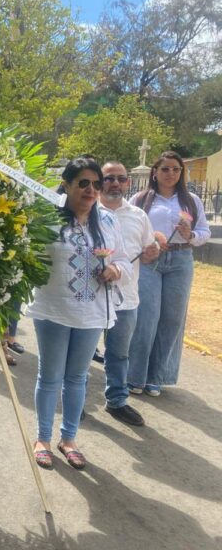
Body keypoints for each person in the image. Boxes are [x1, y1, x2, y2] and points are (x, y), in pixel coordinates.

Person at [25, 157, 131, 470]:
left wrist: (114, 269)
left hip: (93, 312)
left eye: (96, 184)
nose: (91, 190)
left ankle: (68, 438)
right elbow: (26, 255)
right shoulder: (46, 220)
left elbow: (125, 260)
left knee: (77, 378)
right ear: (67, 185)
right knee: (50, 376)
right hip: (54, 309)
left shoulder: (108, 222)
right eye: (83, 183)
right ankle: (42, 438)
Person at [128, 151, 210, 396]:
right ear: (155, 172)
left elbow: (204, 231)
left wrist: (190, 235)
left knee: (172, 319)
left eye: (176, 169)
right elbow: (129, 229)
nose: (170, 174)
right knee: (146, 317)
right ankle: (136, 376)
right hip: (150, 260)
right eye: (165, 169)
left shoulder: (191, 200)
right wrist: (146, 245)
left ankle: (158, 376)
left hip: (180, 260)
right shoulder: (141, 199)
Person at [99, 161, 160, 426]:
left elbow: (148, 252)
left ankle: (117, 401)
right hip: (90, 298)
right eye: (109, 178)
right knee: (78, 354)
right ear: (100, 181)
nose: (115, 183)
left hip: (125, 298)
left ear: (128, 183)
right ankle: (73, 401)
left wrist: (152, 252)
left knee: (119, 353)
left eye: (121, 179)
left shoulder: (138, 215)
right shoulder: (88, 211)